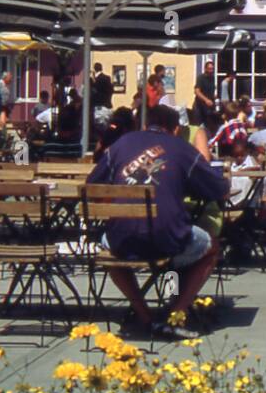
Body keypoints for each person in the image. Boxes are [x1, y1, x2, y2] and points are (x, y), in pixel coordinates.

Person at [86, 103, 225, 337]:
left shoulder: (121, 144)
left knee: (106, 249)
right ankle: (176, 313)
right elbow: (217, 188)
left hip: (122, 240)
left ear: (144, 125)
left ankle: (144, 315)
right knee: (212, 247)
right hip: (168, 239)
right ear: (175, 129)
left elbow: (93, 186)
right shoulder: (181, 148)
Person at [193, 60, 217, 126]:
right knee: (198, 126)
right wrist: (206, 100)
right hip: (199, 106)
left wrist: (214, 97)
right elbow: (197, 91)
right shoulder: (201, 78)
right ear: (205, 69)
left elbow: (210, 91)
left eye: (212, 69)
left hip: (208, 107)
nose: (211, 71)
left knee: (209, 125)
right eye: (209, 69)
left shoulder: (212, 78)